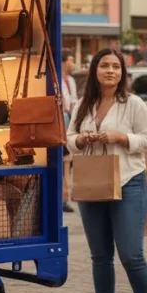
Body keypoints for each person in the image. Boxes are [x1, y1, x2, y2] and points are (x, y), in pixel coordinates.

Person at [67, 49, 147, 293]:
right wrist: (81, 140)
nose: (110, 71)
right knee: (100, 256)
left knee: (131, 254)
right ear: (95, 70)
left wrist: (121, 138)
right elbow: (69, 140)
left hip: (128, 182)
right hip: (93, 182)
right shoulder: (83, 104)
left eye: (115, 67)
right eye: (104, 65)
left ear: (122, 73)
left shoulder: (133, 104)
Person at [61, 49, 78, 214]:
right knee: (62, 161)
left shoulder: (71, 81)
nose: (73, 64)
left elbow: (73, 102)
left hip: (69, 119)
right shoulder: (55, 79)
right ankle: (61, 197)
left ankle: (65, 198)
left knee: (68, 161)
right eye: (71, 60)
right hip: (60, 120)